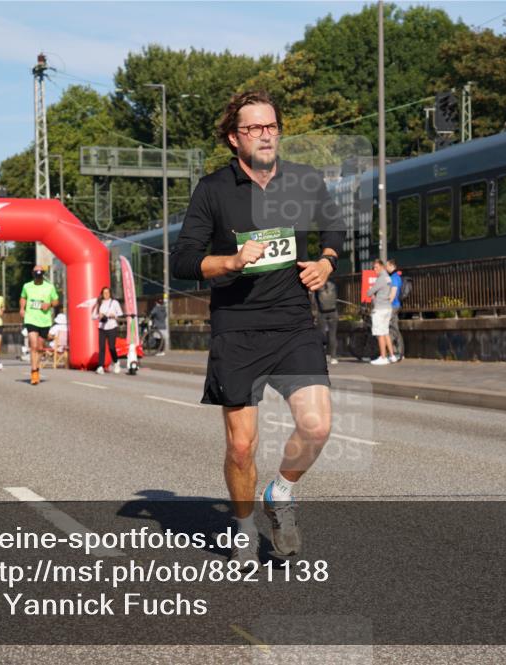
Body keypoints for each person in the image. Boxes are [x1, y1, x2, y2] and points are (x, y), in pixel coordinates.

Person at [170, 90, 345, 570]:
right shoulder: (213, 189)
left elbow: (333, 230)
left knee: (318, 425)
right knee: (241, 446)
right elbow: (183, 260)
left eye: (271, 126)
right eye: (254, 128)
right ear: (234, 138)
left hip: (293, 323)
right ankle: (244, 526)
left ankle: (281, 492)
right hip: (237, 328)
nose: (266, 135)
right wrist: (230, 260)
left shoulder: (305, 181)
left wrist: (326, 264)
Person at [19, 265, 59, 386]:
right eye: (36, 276)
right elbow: (23, 297)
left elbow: (56, 301)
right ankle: (34, 371)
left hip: (44, 321)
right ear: (33, 274)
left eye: (40, 276)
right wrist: (22, 308)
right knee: (33, 345)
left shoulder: (49, 287)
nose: (38, 278)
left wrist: (49, 304)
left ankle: (37, 367)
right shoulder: (27, 286)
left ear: (43, 276)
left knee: (40, 348)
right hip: (31, 319)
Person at [366, 258, 397, 365]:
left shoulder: (381, 278)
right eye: (373, 267)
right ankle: (392, 356)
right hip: (387, 307)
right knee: (385, 332)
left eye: (376, 267)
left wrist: (371, 293)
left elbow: (370, 292)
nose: (374, 269)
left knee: (380, 333)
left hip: (379, 309)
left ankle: (383, 357)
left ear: (382, 267)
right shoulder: (388, 278)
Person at [92, 286, 123, 374]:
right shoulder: (99, 303)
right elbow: (93, 316)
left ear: (110, 293)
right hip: (102, 327)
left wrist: (114, 316)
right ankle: (100, 366)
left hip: (112, 326)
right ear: (102, 294)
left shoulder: (114, 302)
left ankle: (116, 362)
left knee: (111, 347)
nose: (106, 294)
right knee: (101, 347)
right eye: (104, 293)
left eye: (107, 292)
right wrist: (99, 315)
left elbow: (120, 314)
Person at [314, 279, 339, 365]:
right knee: (333, 335)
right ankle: (334, 357)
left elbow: (314, 300)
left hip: (322, 313)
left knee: (322, 335)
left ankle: (323, 356)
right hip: (333, 312)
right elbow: (336, 297)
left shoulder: (317, 286)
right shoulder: (333, 285)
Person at [385, 257, 404, 361]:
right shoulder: (396, 276)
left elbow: (393, 293)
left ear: (392, 266)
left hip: (392, 306)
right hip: (396, 305)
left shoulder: (394, 278)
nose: (386, 267)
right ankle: (399, 353)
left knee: (389, 330)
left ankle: (393, 353)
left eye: (387, 265)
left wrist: (386, 303)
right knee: (395, 329)